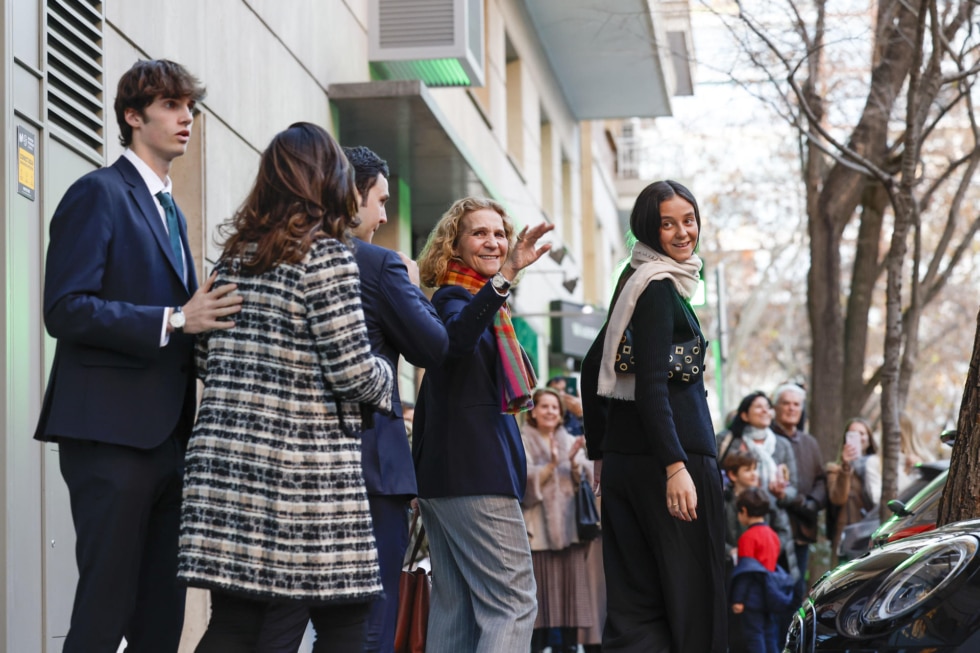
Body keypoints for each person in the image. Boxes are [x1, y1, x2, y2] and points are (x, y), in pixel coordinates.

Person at [32, 59, 242, 653]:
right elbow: (65, 309)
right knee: (105, 609)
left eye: (191, 109)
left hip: (169, 437)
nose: (187, 119)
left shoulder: (171, 210)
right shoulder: (97, 193)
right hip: (108, 435)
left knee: (160, 617)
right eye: (173, 106)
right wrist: (176, 319)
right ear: (133, 115)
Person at [177, 122, 394, 652]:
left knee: (236, 617)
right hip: (304, 477)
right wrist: (387, 374)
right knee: (347, 619)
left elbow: (206, 355)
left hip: (228, 467)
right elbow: (352, 372)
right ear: (327, 180)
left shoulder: (234, 257)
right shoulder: (325, 257)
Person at [255, 146, 448, 653]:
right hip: (371, 467)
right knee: (366, 622)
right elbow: (434, 345)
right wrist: (409, 283)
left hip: (292, 467)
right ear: (350, 192)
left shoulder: (267, 256)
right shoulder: (379, 266)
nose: (384, 216)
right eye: (380, 201)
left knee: (283, 617)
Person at [580, 179, 727, 652]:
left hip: (627, 465)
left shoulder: (633, 281)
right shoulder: (659, 288)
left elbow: (590, 367)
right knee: (693, 605)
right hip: (674, 464)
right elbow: (651, 385)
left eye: (689, 220)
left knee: (635, 610)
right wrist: (675, 465)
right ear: (648, 228)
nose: (683, 232)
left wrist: (603, 451)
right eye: (668, 223)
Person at [412, 196, 554, 652]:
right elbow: (455, 343)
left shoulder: (481, 302)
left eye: (499, 233)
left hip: (450, 476)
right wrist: (505, 277)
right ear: (452, 245)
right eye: (479, 233)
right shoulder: (455, 296)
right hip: (474, 475)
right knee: (513, 603)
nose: (493, 242)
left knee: (457, 609)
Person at [521, 387, 594, 653]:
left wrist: (574, 463)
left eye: (555, 407)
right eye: (544, 406)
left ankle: (569, 648)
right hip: (538, 532)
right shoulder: (523, 439)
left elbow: (585, 479)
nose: (550, 412)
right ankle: (537, 647)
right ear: (533, 411)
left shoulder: (568, 438)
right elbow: (521, 480)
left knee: (570, 599)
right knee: (539, 601)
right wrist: (551, 465)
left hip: (569, 530)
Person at [724, 391, 800, 582]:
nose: (765, 411)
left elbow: (794, 488)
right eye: (758, 407)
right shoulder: (728, 442)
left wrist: (781, 494)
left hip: (772, 521)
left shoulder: (782, 444)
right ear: (744, 415)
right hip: (736, 518)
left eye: (768, 407)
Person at [769, 383, 827, 592]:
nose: (791, 408)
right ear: (775, 407)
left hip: (802, 528)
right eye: (786, 403)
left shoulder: (809, 443)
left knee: (796, 592)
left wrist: (812, 503)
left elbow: (821, 479)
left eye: (796, 404)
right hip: (772, 529)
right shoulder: (766, 439)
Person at [729, 488, 796, 653]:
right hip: (770, 594)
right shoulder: (772, 535)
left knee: (754, 636)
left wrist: (738, 599)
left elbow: (746, 572)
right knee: (769, 634)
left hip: (753, 596)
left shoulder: (747, 538)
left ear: (744, 511)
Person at [721, 451, 795, 575]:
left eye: (755, 469)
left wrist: (768, 549)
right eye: (747, 470)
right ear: (733, 475)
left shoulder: (766, 499)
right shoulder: (723, 502)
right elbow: (714, 534)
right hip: (730, 569)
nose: (754, 474)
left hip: (764, 568)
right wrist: (730, 551)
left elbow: (784, 530)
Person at [826, 418, 881, 564]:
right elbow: (838, 498)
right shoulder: (835, 470)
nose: (859, 438)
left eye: (862, 433)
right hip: (849, 539)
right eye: (853, 434)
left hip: (875, 534)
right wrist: (846, 467)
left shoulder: (880, 467)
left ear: (869, 438)